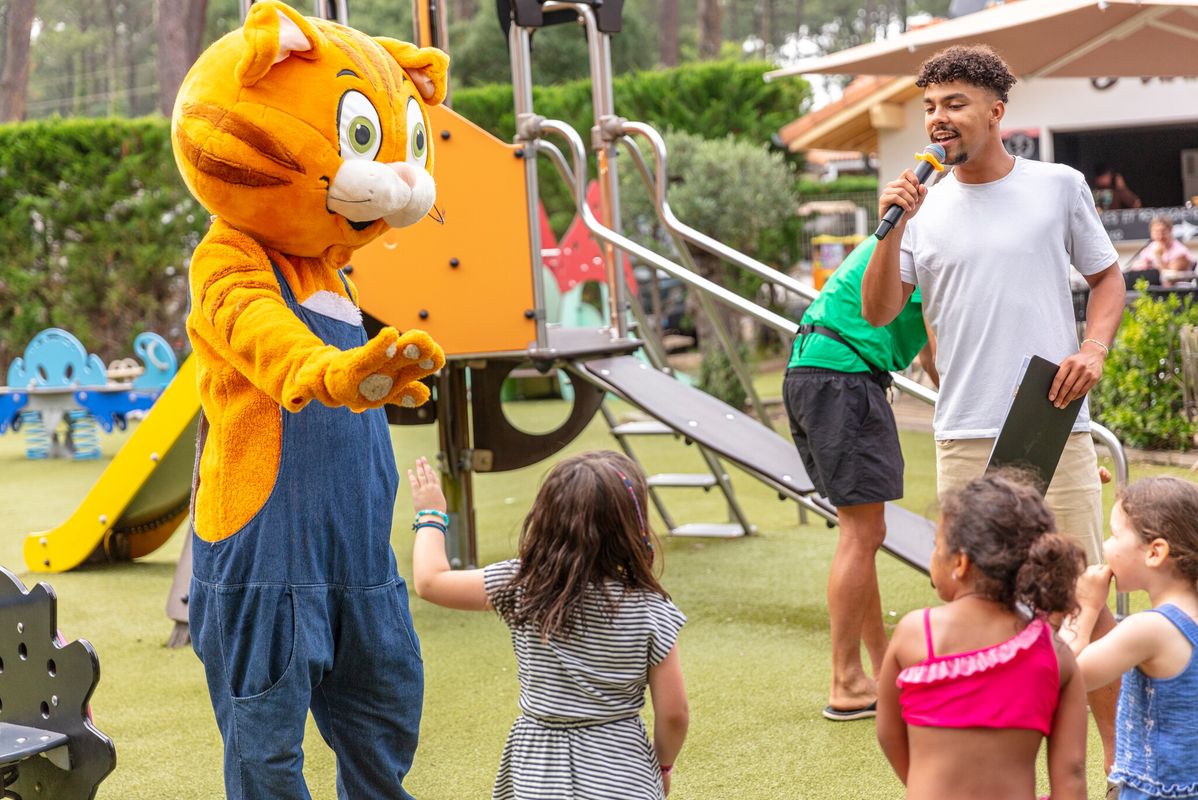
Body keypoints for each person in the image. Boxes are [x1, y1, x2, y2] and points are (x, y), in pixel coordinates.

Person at [860, 44, 1126, 767]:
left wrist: (1093, 350)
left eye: (953, 104)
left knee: (1079, 601)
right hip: (963, 434)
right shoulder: (920, 208)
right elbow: (881, 311)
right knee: (979, 611)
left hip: (1050, 425)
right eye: (930, 108)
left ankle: (1115, 767)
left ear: (996, 112)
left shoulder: (1058, 185)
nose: (938, 119)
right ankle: (993, 773)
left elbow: (1107, 279)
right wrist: (890, 226)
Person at [407, 451, 689, 799]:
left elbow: (430, 582)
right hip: (622, 768)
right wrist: (663, 765)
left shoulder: (520, 585)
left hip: (538, 770)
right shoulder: (651, 608)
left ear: (545, 518)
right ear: (633, 525)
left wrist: (430, 514)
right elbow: (674, 713)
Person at [784, 235, 937, 721]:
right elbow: (937, 353)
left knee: (865, 530)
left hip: (817, 368)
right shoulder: (933, 240)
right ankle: (846, 680)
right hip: (842, 376)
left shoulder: (906, 235)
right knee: (862, 532)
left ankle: (876, 668)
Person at [876, 472, 1088, 800]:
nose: (933, 555)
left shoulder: (917, 633)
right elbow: (1071, 774)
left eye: (936, 547)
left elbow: (889, 733)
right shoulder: (1056, 654)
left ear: (960, 562)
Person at [1065, 477, 1198, 800]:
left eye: (1113, 535)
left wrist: (1084, 608)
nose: (1106, 547)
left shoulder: (1149, 630)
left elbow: (1064, 674)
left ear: (1155, 552)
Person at [1131, 217, 1195, 285]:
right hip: (1152, 289)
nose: (1160, 236)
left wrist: (1159, 258)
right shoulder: (1151, 246)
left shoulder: (1180, 251)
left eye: (1163, 231)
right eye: (1156, 232)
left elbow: (1170, 279)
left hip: (1176, 292)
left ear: (1170, 231)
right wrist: (1144, 265)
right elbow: (1136, 267)